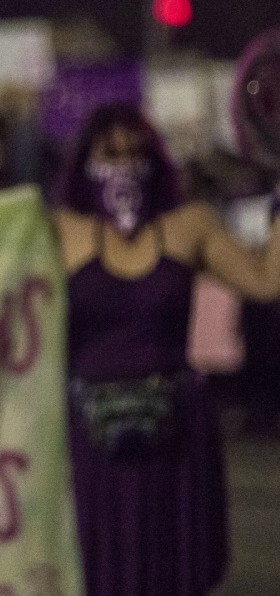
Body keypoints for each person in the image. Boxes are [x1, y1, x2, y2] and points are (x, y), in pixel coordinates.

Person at [54, 102, 280, 596]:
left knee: (172, 573)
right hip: (93, 439)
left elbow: (266, 282)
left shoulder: (189, 225)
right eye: (109, 153)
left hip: (175, 434)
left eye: (136, 153)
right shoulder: (59, 231)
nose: (123, 165)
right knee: (95, 572)